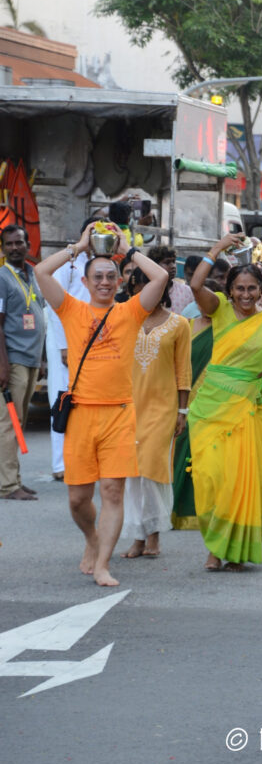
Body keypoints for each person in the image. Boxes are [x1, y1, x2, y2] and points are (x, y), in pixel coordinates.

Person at [34, 222, 168, 586]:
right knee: (78, 499)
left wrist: (128, 250)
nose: (105, 282)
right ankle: (92, 539)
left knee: (112, 491)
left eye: (111, 276)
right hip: (80, 415)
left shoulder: (130, 311)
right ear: (86, 281)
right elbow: (41, 272)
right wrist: (79, 246)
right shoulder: (71, 309)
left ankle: (103, 565)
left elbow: (160, 277)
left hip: (119, 414)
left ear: (120, 281)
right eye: (98, 277)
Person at [189, 239, 262, 570]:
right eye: (239, 288)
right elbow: (195, 285)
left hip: (252, 410)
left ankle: (233, 550)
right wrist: (217, 249)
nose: (246, 294)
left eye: (252, 288)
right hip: (212, 409)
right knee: (212, 478)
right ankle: (216, 542)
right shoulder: (219, 309)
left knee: (248, 481)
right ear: (230, 289)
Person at [120, 268, 191, 559]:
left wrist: (182, 410)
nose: (145, 292)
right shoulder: (123, 319)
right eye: (139, 286)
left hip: (163, 407)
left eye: (151, 286)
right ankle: (138, 536)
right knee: (132, 473)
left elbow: (183, 370)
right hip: (127, 406)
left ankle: (153, 535)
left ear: (164, 289)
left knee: (152, 470)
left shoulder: (179, 324)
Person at [0, 224, 46, 500]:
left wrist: (42, 359)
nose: (15, 247)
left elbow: (40, 315)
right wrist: (2, 364)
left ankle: (14, 478)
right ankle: (7, 485)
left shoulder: (32, 274)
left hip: (30, 358)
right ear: (3, 248)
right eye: (9, 244)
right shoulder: (2, 277)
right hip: (13, 359)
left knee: (20, 422)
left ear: (28, 245)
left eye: (19, 242)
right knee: (10, 423)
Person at [45, 218, 91, 482]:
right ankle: (59, 463)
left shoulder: (99, 263)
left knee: (83, 400)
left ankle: (79, 459)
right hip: (62, 338)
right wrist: (63, 345)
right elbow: (54, 304)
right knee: (60, 397)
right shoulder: (68, 261)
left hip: (87, 339)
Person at [171, 288, 216, 530]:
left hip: (212, 404)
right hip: (183, 401)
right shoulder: (185, 325)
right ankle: (175, 509)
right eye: (200, 301)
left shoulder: (226, 330)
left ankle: (204, 510)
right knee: (179, 453)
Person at [147, 245, 194, 314]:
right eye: (167, 262)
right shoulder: (146, 292)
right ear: (154, 265)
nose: (173, 266)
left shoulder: (186, 291)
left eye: (174, 261)